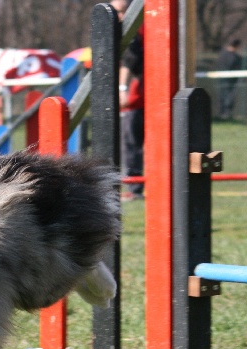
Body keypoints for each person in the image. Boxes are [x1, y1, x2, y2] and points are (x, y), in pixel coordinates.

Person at [112, 0, 145, 202]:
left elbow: (129, 62)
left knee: (131, 142)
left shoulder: (133, 29)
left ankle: (134, 187)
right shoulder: (144, 25)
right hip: (145, 93)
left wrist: (122, 88)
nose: (118, 17)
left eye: (119, 12)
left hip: (138, 95)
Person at [215, 39, 242, 120]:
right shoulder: (234, 57)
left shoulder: (222, 54)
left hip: (222, 79)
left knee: (223, 96)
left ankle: (223, 113)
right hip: (230, 80)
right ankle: (226, 114)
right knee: (228, 97)